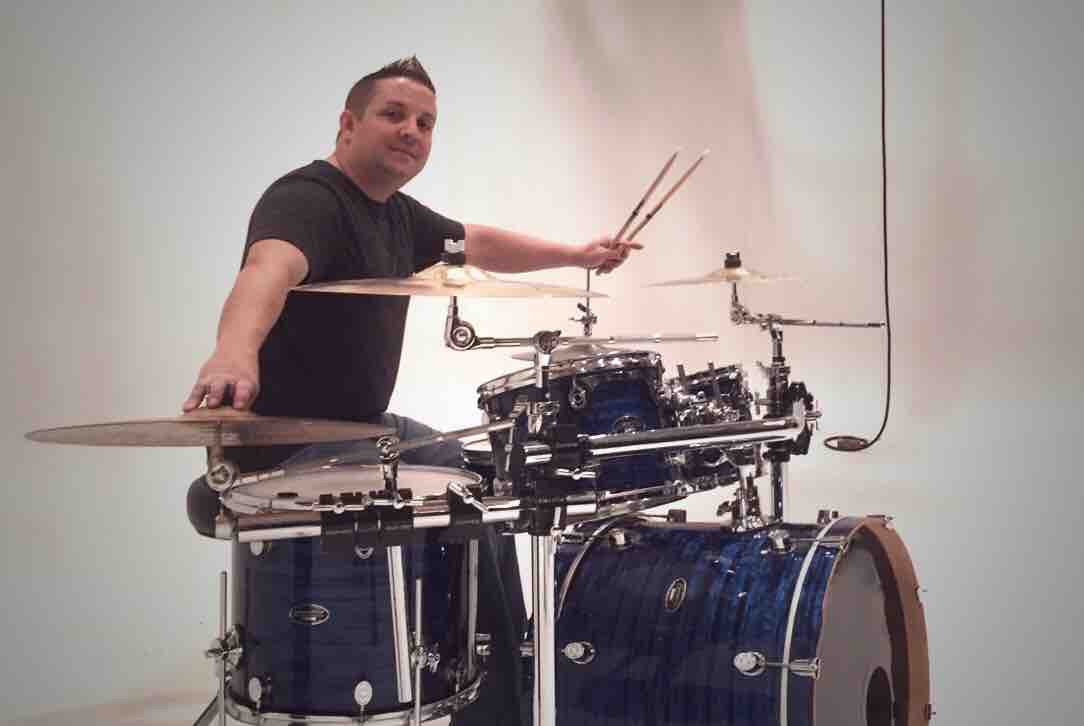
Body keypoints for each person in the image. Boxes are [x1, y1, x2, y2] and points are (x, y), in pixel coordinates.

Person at [182, 56, 640, 726]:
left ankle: (497, 689)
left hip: (362, 426)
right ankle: (443, 683)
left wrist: (577, 254)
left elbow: (478, 242)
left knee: (484, 474)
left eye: (425, 123)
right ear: (348, 123)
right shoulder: (308, 199)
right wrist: (233, 351)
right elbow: (265, 270)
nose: (411, 132)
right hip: (287, 446)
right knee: (459, 486)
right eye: (393, 115)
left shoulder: (396, 214)